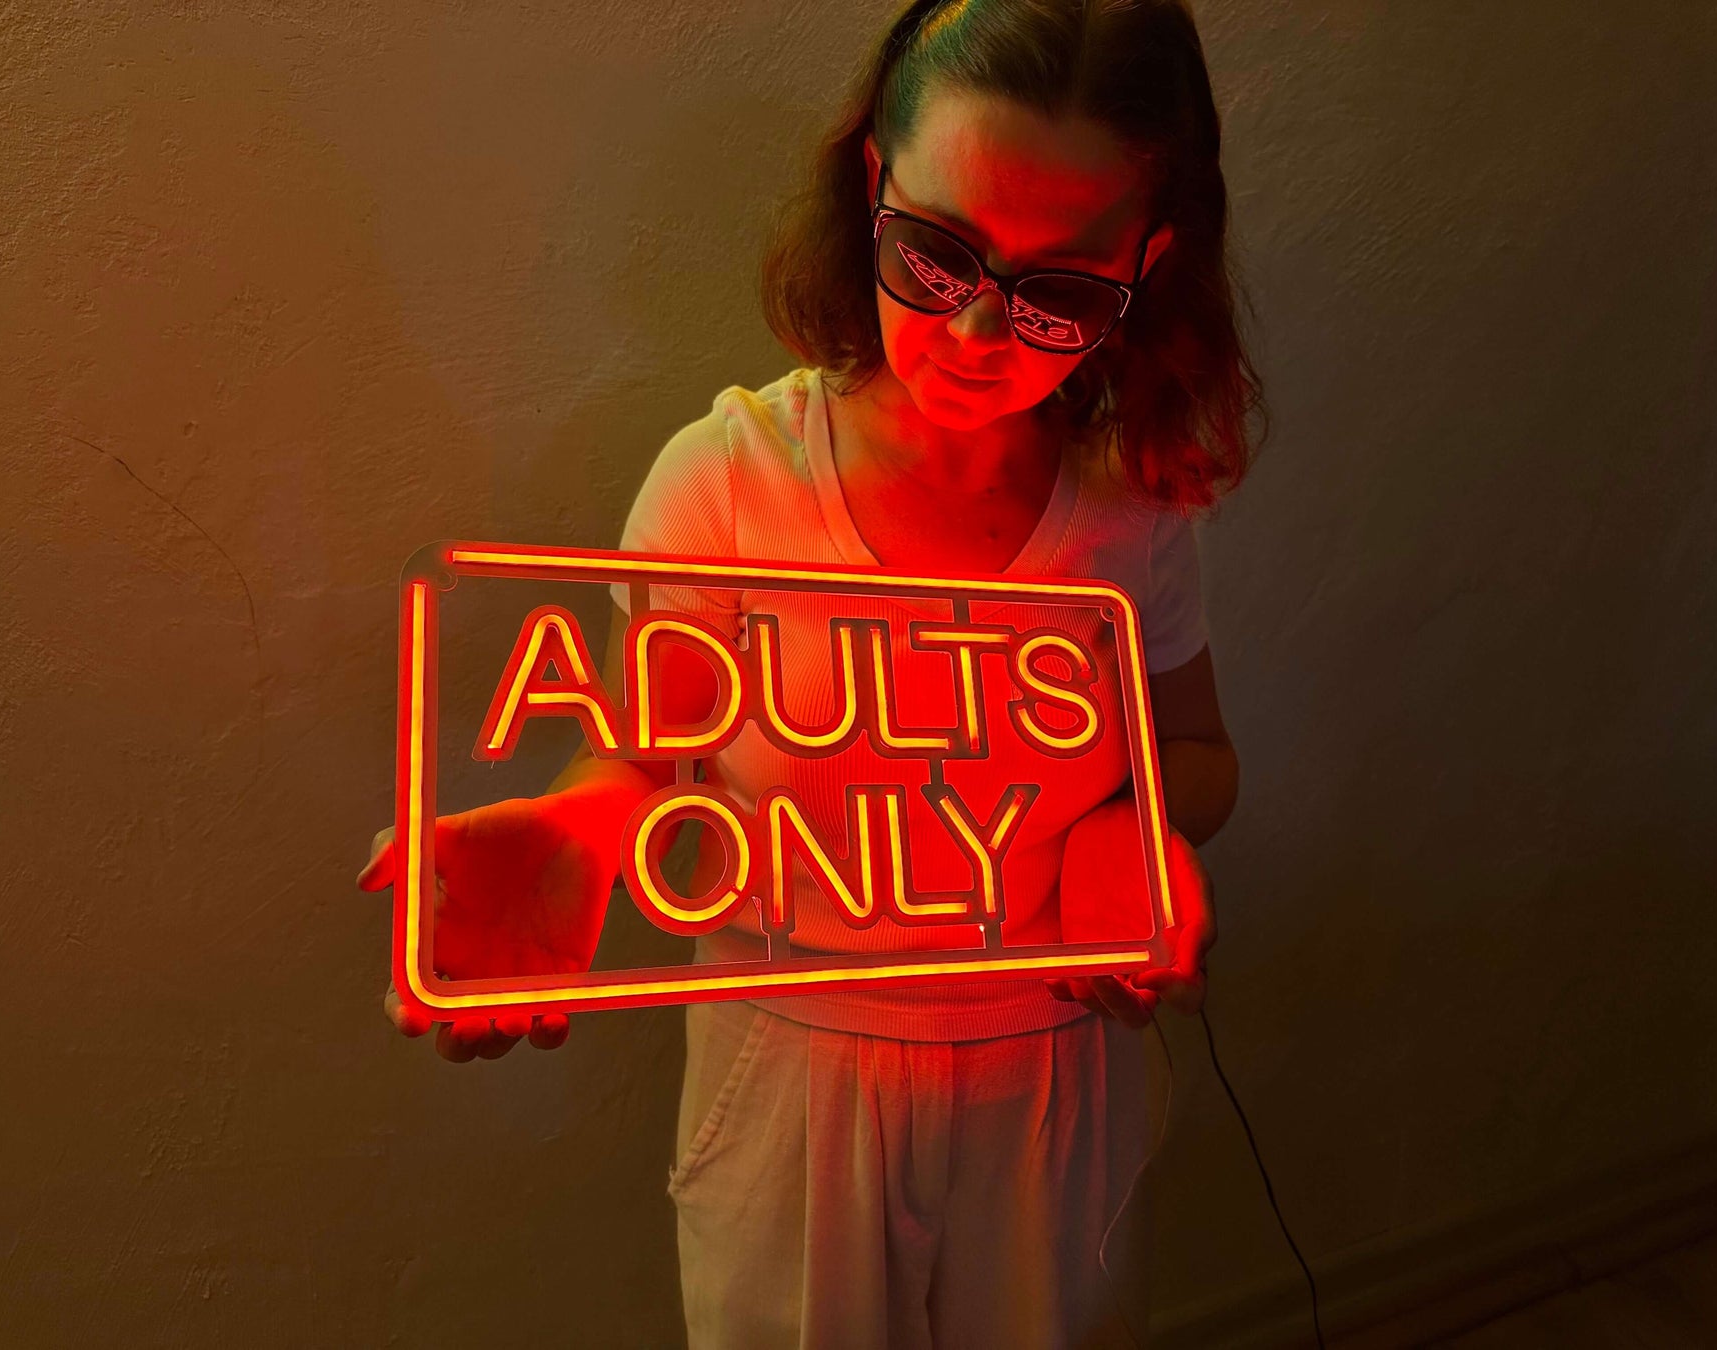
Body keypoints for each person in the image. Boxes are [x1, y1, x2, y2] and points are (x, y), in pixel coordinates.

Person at [358, 2, 1259, 1344]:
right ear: (873, 184)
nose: (978, 331)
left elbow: (1198, 752)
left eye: (1062, 292)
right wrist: (580, 834)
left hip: (1054, 1061)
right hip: (789, 1067)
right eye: (935, 254)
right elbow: (647, 752)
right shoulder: (730, 484)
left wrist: (1129, 832)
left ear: (1149, 262)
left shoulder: (1129, 511)